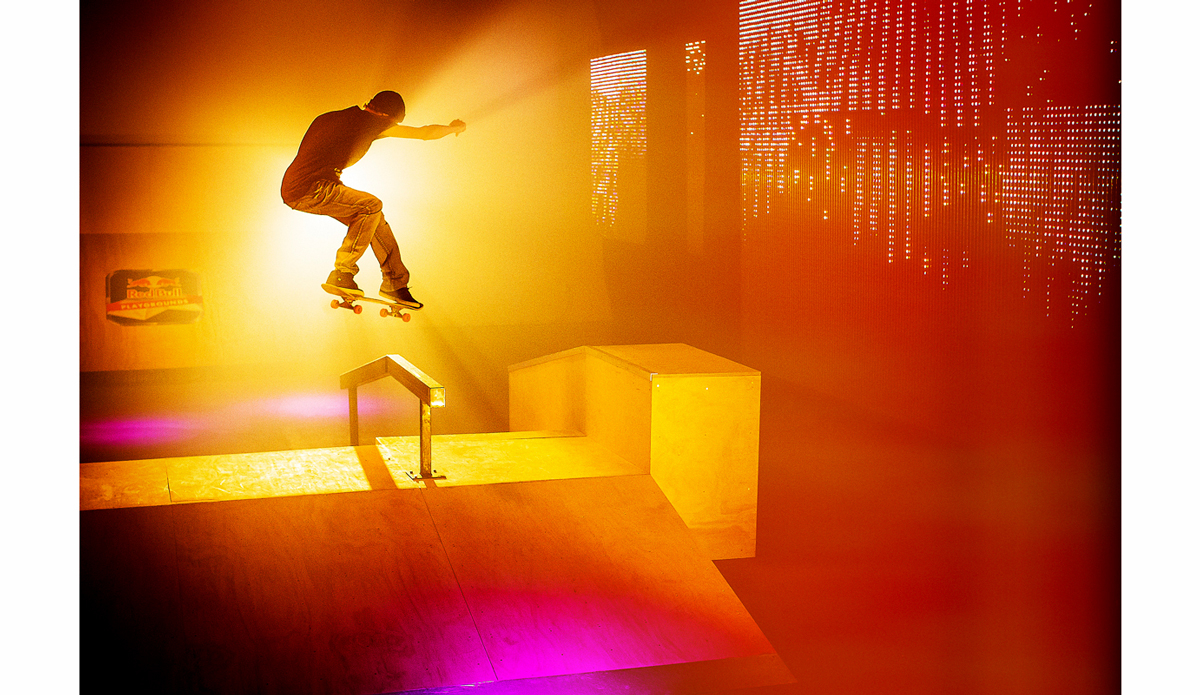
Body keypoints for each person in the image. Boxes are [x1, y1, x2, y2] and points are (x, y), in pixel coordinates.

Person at [281, 90, 466, 308]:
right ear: (387, 116)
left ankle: (395, 284)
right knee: (371, 205)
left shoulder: (336, 117)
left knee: (374, 217)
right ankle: (342, 273)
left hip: (299, 185)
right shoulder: (371, 122)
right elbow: (425, 133)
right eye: (392, 123)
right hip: (310, 188)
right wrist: (454, 128)